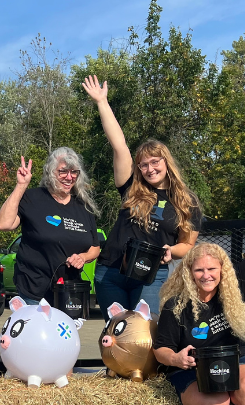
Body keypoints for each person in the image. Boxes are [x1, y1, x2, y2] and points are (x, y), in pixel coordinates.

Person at [153, 182, 245, 405]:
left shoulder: (235, 283)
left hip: (237, 358)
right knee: (213, 403)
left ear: (222, 270)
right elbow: (160, 349)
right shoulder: (175, 305)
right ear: (189, 273)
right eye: (199, 270)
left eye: (212, 269)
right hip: (191, 369)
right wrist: (176, 359)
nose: (206, 275)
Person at [82, 75, 202, 319]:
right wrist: (102, 102)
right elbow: (119, 145)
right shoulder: (131, 188)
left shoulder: (187, 202)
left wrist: (172, 250)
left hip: (151, 275)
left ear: (166, 162)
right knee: (117, 333)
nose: (150, 169)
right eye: (143, 164)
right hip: (111, 272)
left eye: (155, 162)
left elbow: (188, 244)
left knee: (144, 332)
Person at [0, 147, 100, 305]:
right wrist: (21, 185)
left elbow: (95, 247)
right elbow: (4, 224)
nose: (69, 177)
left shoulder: (83, 206)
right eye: (63, 171)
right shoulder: (33, 198)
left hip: (69, 292)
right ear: (50, 171)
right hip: (33, 292)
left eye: (74, 172)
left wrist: (83, 257)